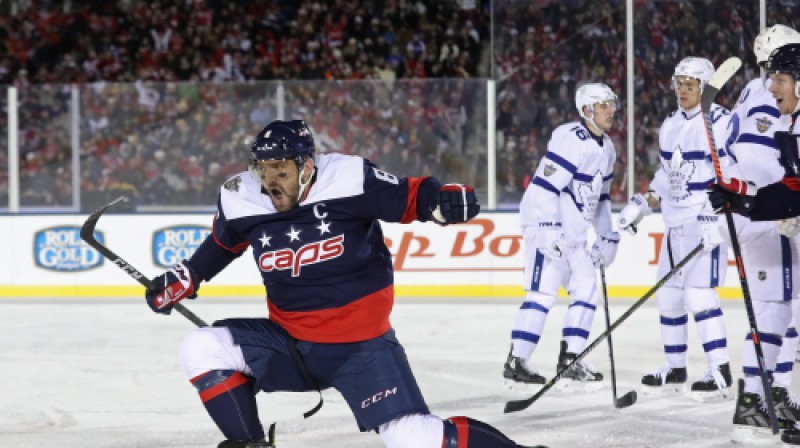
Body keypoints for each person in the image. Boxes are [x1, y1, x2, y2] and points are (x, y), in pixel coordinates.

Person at [144, 120, 536, 448]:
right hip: (290, 342)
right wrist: (188, 276)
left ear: (307, 166)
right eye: (263, 170)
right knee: (201, 347)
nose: (269, 181)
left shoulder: (348, 177)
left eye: (280, 170)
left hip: (361, 348)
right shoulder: (241, 197)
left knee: (413, 436)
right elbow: (222, 242)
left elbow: (410, 196)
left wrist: (441, 202)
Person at [617, 57, 732, 402]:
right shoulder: (670, 125)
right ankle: (676, 366)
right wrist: (644, 201)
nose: (681, 90)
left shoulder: (721, 123)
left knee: (700, 297)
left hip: (704, 223)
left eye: (689, 85)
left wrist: (719, 216)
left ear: (705, 87)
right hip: (674, 224)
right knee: (668, 299)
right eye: (678, 83)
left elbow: (733, 172)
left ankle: (720, 370)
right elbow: (668, 174)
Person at [504, 83, 619, 390]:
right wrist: (549, 227)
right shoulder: (571, 138)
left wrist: (607, 236)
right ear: (586, 110)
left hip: (574, 232)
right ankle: (518, 360)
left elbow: (602, 198)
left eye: (612, 104)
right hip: (547, 224)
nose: (611, 110)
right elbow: (544, 188)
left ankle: (571, 358)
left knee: (586, 289)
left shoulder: (607, 147)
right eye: (603, 105)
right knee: (542, 292)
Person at [718, 26, 800, 444]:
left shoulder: (758, 94)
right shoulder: (765, 94)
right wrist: (763, 200)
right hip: (768, 217)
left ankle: (771, 393)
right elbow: (761, 161)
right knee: (775, 310)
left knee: (782, 310)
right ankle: (756, 398)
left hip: (766, 211)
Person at [709, 43, 800, 222]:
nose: (772, 88)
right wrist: (743, 202)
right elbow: (793, 193)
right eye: (772, 79)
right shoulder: (791, 131)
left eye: (780, 80)